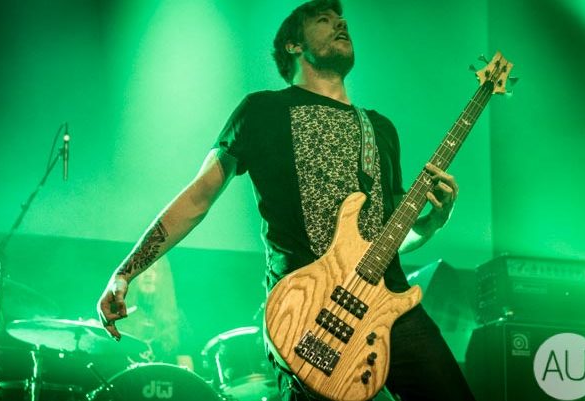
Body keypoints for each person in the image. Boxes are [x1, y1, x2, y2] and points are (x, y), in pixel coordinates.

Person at [97, 1, 475, 400]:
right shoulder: (261, 111)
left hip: (389, 306)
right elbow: (197, 199)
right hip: (308, 311)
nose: (340, 23)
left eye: (341, 18)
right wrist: (124, 273)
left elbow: (390, 238)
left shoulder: (380, 128)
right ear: (294, 45)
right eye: (324, 19)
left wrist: (431, 223)